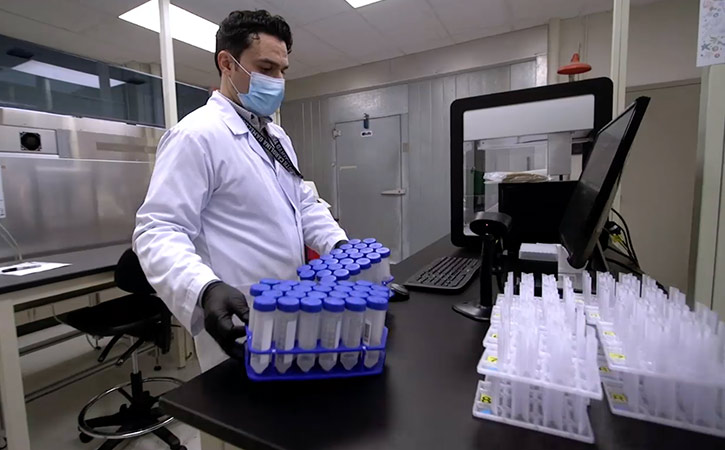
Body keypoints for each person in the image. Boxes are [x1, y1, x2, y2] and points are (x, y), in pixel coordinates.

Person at [133, 10, 348, 371]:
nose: (277, 81)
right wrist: (204, 288)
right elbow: (158, 229)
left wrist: (338, 246)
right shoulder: (196, 135)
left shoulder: (275, 135)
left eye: (282, 70)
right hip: (237, 314)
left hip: (291, 303)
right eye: (265, 68)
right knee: (238, 418)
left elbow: (303, 203)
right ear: (227, 63)